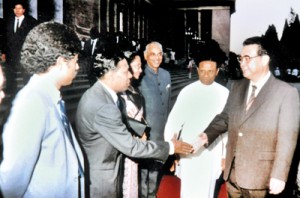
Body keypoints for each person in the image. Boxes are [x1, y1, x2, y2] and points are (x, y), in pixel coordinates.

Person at [75, 51, 192, 198]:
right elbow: (131, 146)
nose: (130, 75)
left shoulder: (100, 95)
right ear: (111, 74)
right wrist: (171, 147)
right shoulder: (103, 105)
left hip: (108, 172)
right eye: (125, 71)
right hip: (103, 182)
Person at [194, 36, 300, 197]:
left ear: (265, 59)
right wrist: (206, 135)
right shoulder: (236, 86)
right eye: (240, 58)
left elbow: (287, 138)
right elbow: (225, 117)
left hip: (262, 179)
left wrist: (279, 175)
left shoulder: (285, 92)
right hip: (233, 177)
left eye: (247, 58)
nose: (242, 62)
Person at [0, 22, 85, 197]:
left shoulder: (49, 97)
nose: (77, 67)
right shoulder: (32, 104)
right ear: (61, 62)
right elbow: (12, 184)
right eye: (75, 61)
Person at [164, 51, 229, 198]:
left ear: (217, 71)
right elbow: (173, 121)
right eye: (203, 71)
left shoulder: (224, 93)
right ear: (197, 70)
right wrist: (173, 147)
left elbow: (227, 129)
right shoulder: (187, 91)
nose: (206, 75)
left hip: (212, 151)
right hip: (188, 149)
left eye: (210, 71)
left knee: (207, 190)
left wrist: (225, 155)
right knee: (188, 189)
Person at [139, 41, 171, 197]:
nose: (157, 58)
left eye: (160, 54)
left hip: (161, 131)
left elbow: (168, 104)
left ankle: (152, 194)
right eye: (153, 54)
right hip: (146, 132)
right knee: (143, 170)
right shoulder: (140, 76)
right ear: (146, 56)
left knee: (156, 169)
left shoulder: (166, 75)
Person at [120, 51, 147, 198]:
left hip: (136, 149)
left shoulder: (134, 90)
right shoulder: (119, 93)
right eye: (137, 66)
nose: (140, 70)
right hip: (125, 148)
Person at [2, 1, 37, 94]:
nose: (17, 10)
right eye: (15, 8)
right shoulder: (9, 21)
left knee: (25, 75)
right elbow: (5, 38)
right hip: (10, 54)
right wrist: (4, 52)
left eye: (19, 8)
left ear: (23, 10)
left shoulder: (31, 22)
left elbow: (33, 39)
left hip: (24, 54)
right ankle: (10, 92)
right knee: (10, 74)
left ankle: (28, 92)